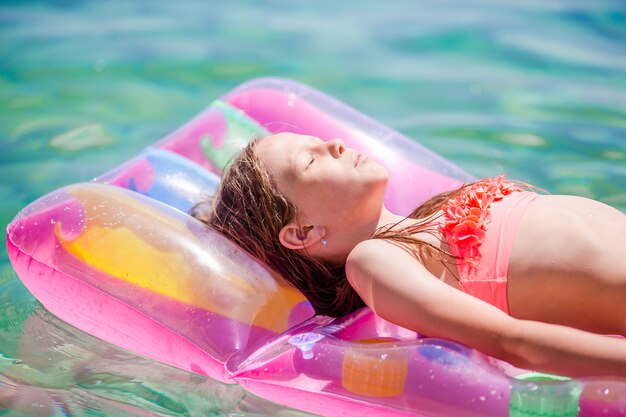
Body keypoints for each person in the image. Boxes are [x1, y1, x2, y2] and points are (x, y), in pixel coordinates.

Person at [191, 132, 626, 378]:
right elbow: (512, 343)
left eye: (322, 141)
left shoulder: (430, 215)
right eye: (312, 160)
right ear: (303, 232)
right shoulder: (375, 262)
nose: (337, 144)